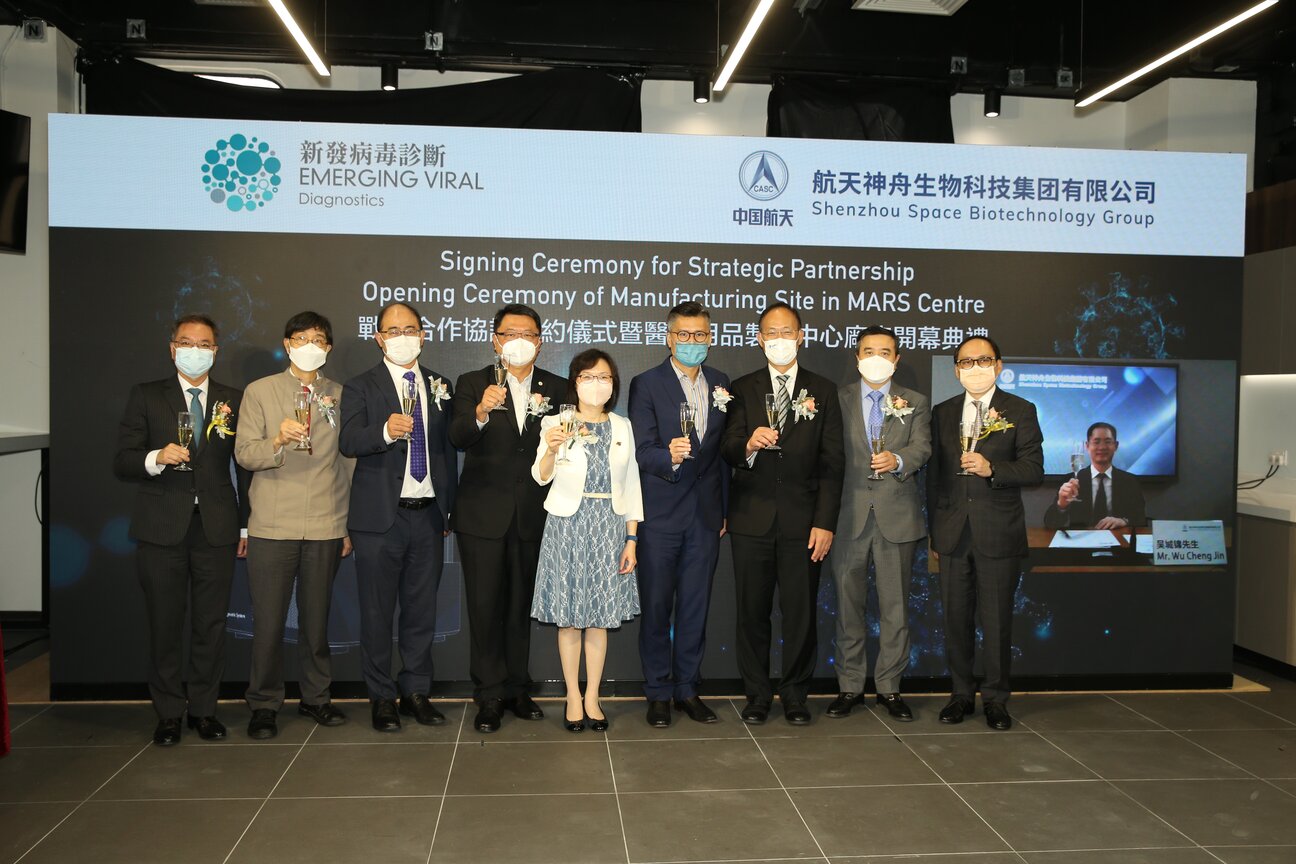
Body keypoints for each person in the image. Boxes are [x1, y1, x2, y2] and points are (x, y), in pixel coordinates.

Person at [113, 314, 248, 746]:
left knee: (211, 625)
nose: (195, 350)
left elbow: (243, 466)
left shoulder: (234, 398)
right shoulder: (147, 395)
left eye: (204, 343)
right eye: (186, 342)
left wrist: (245, 524)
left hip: (217, 527)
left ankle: (204, 712)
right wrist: (157, 456)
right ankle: (169, 712)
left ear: (215, 350)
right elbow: (123, 459)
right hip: (161, 528)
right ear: (172, 348)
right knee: (165, 625)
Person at [721, 302, 844, 726]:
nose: (778, 339)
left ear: (801, 336)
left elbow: (832, 463)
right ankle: (756, 695)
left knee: (800, 612)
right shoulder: (742, 387)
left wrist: (825, 521)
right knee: (751, 613)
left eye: (786, 331)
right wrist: (748, 446)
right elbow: (727, 447)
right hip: (751, 519)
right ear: (758, 339)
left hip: (804, 522)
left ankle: (794, 694)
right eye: (769, 333)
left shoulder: (823, 391)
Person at [235, 311, 354, 740]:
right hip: (271, 525)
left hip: (325, 523)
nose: (309, 345)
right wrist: (278, 441)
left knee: (316, 621)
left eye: (318, 339)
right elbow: (245, 454)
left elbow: (349, 465)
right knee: (267, 622)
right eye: (301, 338)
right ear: (287, 344)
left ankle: (316, 698)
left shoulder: (341, 395)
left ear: (328, 348)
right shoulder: (260, 392)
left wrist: (345, 525)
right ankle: (265, 703)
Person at [339, 302, 457, 733]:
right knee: (376, 611)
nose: (402, 336)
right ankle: (381, 696)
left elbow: (446, 453)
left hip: (427, 516)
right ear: (379, 337)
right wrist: (386, 430)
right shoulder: (360, 386)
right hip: (377, 521)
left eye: (410, 329)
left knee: (421, 611)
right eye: (393, 330)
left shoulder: (440, 384)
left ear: (423, 335)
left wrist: (450, 508)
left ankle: (416, 692)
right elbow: (348, 441)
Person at [450, 304, 565, 733]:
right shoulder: (471, 383)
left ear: (539, 341)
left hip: (534, 516)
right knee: (484, 608)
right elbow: (457, 437)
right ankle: (489, 695)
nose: (519, 339)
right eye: (510, 332)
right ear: (495, 339)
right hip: (482, 516)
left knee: (521, 606)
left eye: (528, 333)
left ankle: (518, 689)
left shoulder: (558, 387)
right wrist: (480, 411)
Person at [928, 335, 1043, 731]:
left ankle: (996, 699)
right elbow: (934, 478)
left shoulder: (1020, 409)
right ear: (956, 369)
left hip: (998, 531)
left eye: (983, 360)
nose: (974, 368)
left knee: (996, 622)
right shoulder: (942, 413)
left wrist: (993, 468)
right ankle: (960, 695)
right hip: (953, 533)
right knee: (955, 619)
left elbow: (1033, 469)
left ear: (998, 365)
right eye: (965, 362)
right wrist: (935, 529)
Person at [627, 301, 730, 728]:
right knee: (655, 606)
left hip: (705, 516)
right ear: (669, 338)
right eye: (685, 335)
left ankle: (688, 688)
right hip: (661, 513)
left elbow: (721, 455)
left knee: (695, 606)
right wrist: (667, 457)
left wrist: (722, 509)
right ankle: (658, 692)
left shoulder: (722, 383)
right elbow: (641, 449)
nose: (693, 342)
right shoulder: (646, 383)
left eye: (701, 335)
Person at [531, 350, 643, 732]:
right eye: (589, 377)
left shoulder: (622, 426)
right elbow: (540, 476)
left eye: (605, 377)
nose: (598, 384)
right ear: (575, 381)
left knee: (598, 621)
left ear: (613, 385)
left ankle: (593, 695)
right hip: (567, 526)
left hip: (609, 528)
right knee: (569, 620)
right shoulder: (556, 421)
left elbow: (632, 485)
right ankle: (572, 697)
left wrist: (631, 538)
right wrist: (550, 447)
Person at [827, 325, 931, 721]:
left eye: (884, 351)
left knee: (895, 609)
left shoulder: (916, 401)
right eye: (868, 350)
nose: (876, 357)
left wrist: (899, 460)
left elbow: (923, 447)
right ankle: (850, 687)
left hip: (897, 518)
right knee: (848, 608)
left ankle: (890, 687)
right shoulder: (837, 400)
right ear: (856, 357)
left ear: (896, 358)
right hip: (848, 517)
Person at [1044, 422, 1147, 530]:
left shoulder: (1130, 481)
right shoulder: (1070, 481)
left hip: (1118, 541)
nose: (1102, 447)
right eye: (1096, 442)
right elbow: (1049, 524)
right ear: (1087, 446)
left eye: (1107, 442)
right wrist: (1061, 505)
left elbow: (1141, 519)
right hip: (1081, 544)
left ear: (1116, 446)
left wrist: (1124, 521)